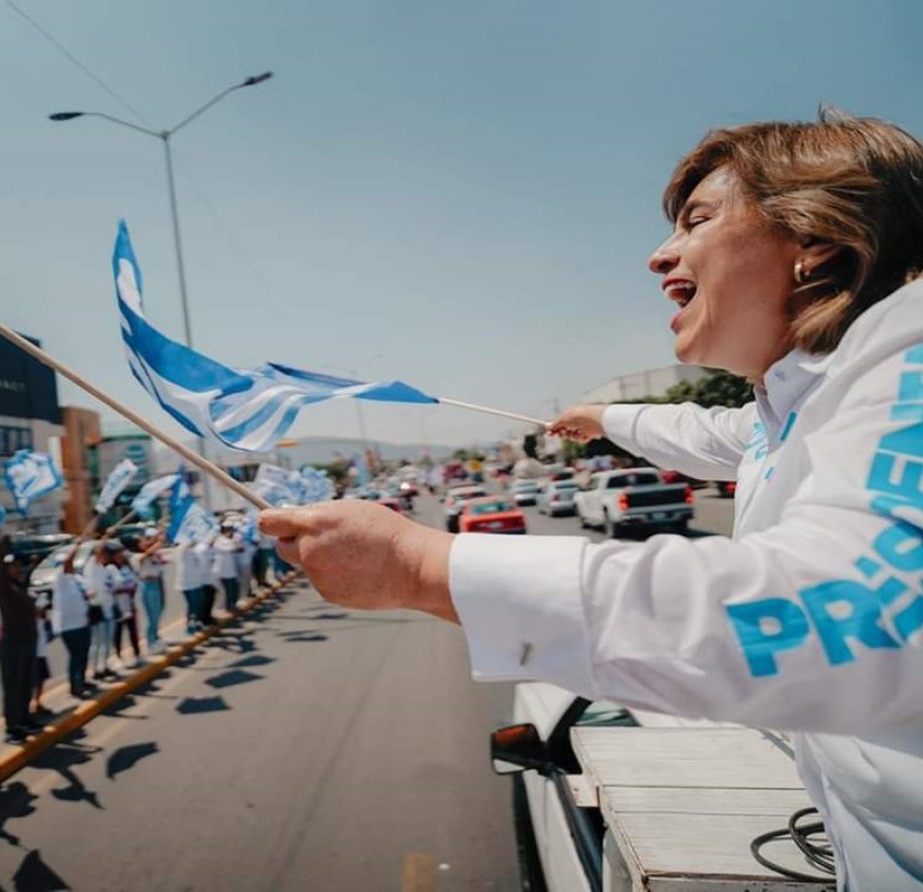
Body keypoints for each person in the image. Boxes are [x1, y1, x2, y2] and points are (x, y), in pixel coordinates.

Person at [260, 112, 923, 888]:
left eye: (698, 221)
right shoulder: (802, 403)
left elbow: (860, 607)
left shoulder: (910, 349)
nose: (658, 256)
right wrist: (607, 419)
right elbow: (717, 432)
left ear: (816, 240)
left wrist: (419, 565)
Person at [0, 550, 39, 743]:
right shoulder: (4, 589)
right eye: (12, 567)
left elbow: (27, 578)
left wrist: (33, 565)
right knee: (12, 687)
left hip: (26, 641)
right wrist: (1, 544)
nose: (16, 569)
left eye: (18, 566)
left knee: (25, 684)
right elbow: (0, 571)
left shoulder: (19, 586)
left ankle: (24, 720)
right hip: (11, 645)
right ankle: (12, 728)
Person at [50, 542, 92, 699]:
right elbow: (67, 561)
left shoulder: (75, 579)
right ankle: (75, 686)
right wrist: (77, 546)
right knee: (76, 655)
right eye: (68, 564)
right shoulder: (60, 579)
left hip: (82, 622)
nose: (71, 565)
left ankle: (82, 679)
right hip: (69, 626)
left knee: (84, 653)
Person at [83, 540, 116, 679]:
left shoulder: (103, 569)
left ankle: (104, 666)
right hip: (97, 609)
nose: (106, 556)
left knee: (107, 642)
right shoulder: (91, 566)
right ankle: (93, 669)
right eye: (104, 553)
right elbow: (97, 551)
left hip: (108, 609)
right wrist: (105, 538)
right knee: (97, 642)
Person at [134, 527, 168, 655]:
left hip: (157, 582)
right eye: (147, 539)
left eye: (151, 540)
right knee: (152, 615)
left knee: (159, 611)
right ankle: (150, 642)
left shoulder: (155, 554)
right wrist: (159, 541)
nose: (150, 542)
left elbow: (159, 562)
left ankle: (155, 636)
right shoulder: (138, 555)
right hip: (147, 585)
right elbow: (146, 555)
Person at [111, 543, 143, 667]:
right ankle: (118, 656)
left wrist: (130, 590)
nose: (120, 556)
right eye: (117, 554)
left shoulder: (127, 568)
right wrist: (121, 590)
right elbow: (109, 588)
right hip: (116, 606)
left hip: (129, 604)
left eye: (121, 553)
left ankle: (137, 654)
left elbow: (134, 583)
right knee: (117, 633)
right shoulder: (110, 569)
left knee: (133, 631)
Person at [32, 593, 55, 717]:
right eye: (42, 608)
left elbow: (50, 636)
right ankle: (30, 707)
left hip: (41, 654)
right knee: (33, 682)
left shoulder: (44, 621)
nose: (45, 610)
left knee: (41, 680)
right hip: (33, 655)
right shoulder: (31, 620)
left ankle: (37, 703)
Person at [212, 526, 241, 613]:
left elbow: (238, 548)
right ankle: (225, 607)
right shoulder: (219, 541)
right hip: (222, 571)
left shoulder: (230, 540)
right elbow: (229, 549)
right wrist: (235, 544)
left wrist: (235, 544)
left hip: (231, 570)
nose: (232, 533)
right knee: (225, 591)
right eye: (230, 531)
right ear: (225, 531)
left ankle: (232, 604)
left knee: (233, 589)